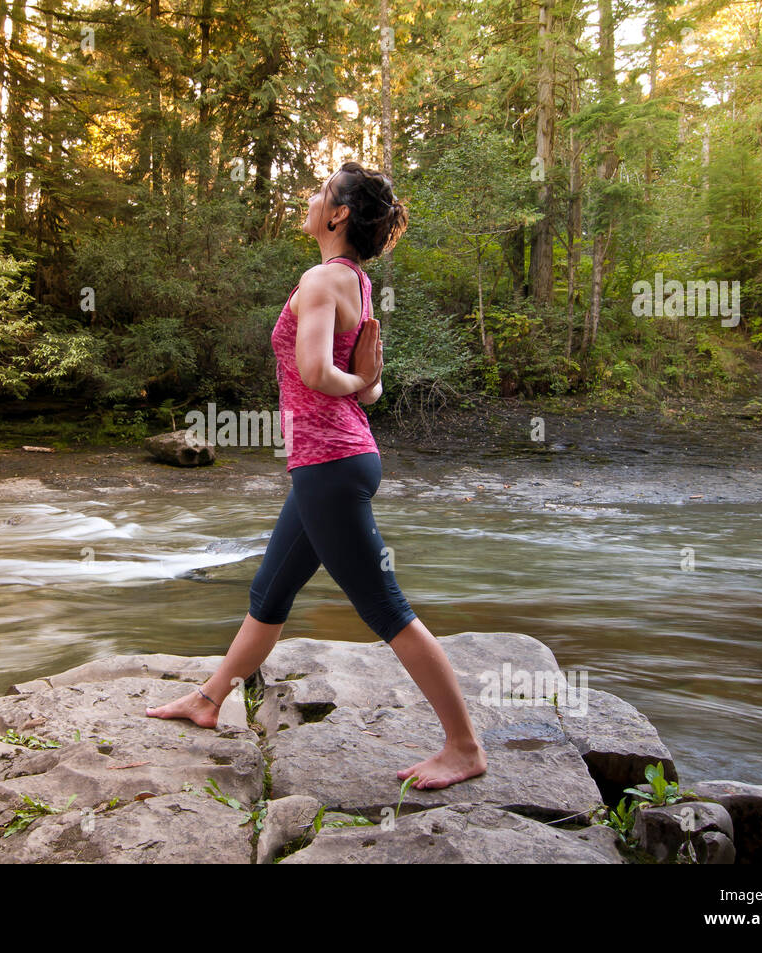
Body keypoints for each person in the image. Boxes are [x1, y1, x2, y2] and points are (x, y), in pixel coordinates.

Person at [146, 162, 487, 790]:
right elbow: (373, 386)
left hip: (330, 463)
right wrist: (360, 383)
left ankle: (464, 746)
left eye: (320, 192)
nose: (309, 197)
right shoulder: (356, 282)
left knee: (386, 609)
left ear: (337, 216)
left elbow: (315, 373)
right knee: (270, 593)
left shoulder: (322, 278)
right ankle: (209, 698)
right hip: (337, 459)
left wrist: (354, 382)